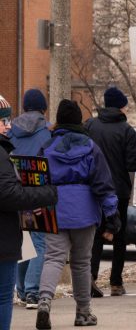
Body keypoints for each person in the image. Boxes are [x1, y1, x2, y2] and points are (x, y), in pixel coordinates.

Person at [36, 100, 120, 329]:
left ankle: (44, 300)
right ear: (78, 120)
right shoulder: (91, 147)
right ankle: (83, 313)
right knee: (81, 263)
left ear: (59, 120)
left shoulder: (46, 147)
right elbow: (103, 183)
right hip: (84, 212)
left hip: (54, 210)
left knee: (53, 257)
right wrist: (112, 214)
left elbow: (36, 181)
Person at [0, 95, 56, 330]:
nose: (8, 125)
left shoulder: (10, 143)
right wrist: (47, 193)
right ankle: (31, 291)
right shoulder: (2, 153)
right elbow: (8, 194)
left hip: (11, 225)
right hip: (4, 234)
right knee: (3, 295)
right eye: (2, 120)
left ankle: (24, 289)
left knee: (28, 247)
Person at [87, 87, 136, 297]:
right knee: (119, 236)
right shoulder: (127, 130)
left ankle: (91, 276)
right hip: (119, 190)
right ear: (120, 107)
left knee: (95, 234)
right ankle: (116, 282)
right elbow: (132, 163)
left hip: (93, 189)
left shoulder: (90, 125)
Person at [9, 89, 52, 309]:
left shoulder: (11, 132)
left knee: (22, 244)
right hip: (37, 195)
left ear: (25, 106)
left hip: (14, 194)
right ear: (43, 108)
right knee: (39, 242)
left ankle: (21, 290)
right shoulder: (47, 134)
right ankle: (32, 291)